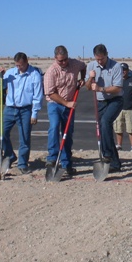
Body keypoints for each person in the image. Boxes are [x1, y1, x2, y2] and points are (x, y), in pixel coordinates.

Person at [0, 52, 44, 174]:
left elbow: (37, 96)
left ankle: (22, 163)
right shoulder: (10, 73)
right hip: (10, 108)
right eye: (17, 65)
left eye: (21, 65)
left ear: (26, 62)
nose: (19, 68)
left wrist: (34, 113)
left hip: (25, 110)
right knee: (1, 133)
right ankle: (10, 155)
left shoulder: (35, 75)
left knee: (24, 137)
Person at [44, 46, 86, 176]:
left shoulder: (74, 63)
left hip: (69, 104)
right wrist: (66, 103)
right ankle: (52, 158)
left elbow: (84, 66)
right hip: (55, 104)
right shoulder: (51, 71)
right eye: (60, 61)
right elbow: (51, 93)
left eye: (65, 59)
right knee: (54, 127)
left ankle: (67, 164)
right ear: (55, 58)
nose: (64, 63)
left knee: (67, 134)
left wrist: (82, 79)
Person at [85, 44, 124, 172]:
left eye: (102, 59)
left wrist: (101, 88)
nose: (100, 61)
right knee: (104, 131)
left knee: (105, 122)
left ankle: (106, 154)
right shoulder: (91, 66)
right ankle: (115, 163)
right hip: (100, 101)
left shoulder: (116, 66)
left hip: (115, 100)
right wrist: (91, 78)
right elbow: (87, 87)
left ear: (107, 54)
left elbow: (117, 88)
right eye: (97, 59)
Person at [114, 63, 132, 152]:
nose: (123, 72)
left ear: (127, 70)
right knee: (118, 127)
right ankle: (119, 145)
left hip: (129, 108)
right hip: (118, 109)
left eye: (124, 70)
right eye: (121, 70)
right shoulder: (115, 81)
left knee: (131, 128)